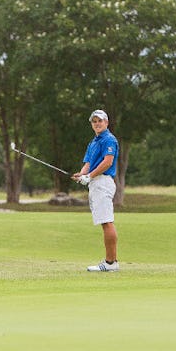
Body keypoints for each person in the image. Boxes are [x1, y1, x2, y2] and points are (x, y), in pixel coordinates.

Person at [73, 109, 120, 272]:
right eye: (94, 121)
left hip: (103, 182)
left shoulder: (109, 139)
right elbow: (88, 163)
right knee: (104, 222)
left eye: (100, 120)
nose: (97, 123)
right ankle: (111, 262)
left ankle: (110, 263)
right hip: (95, 182)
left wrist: (90, 176)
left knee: (107, 221)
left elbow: (108, 162)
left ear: (106, 122)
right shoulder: (93, 142)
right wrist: (82, 175)